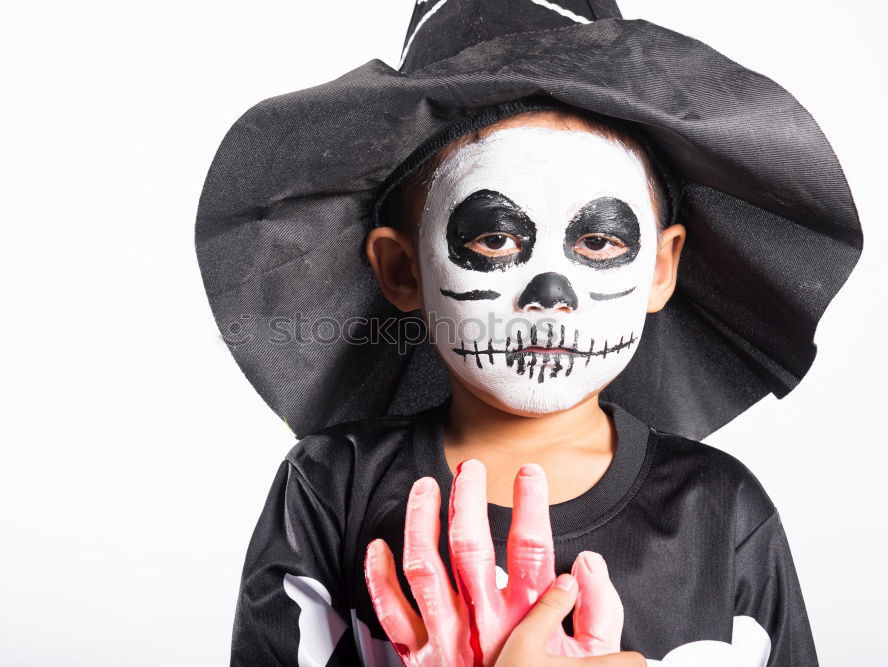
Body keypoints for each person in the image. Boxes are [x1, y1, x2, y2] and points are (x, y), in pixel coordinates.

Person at [195, 1, 862, 665]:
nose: (552, 295)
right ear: (402, 269)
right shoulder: (330, 493)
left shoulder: (721, 516)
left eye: (598, 241)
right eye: (494, 238)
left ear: (660, 266)